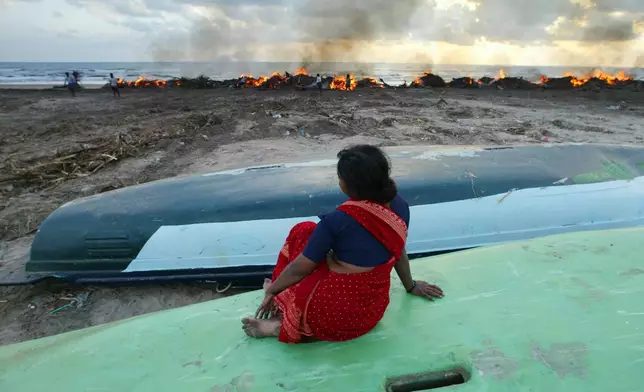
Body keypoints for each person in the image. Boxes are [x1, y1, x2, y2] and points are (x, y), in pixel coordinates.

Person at [242, 145, 444, 343]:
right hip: (370, 314)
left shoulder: (336, 221)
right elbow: (398, 250)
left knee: (302, 232)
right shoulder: (400, 207)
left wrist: (273, 290)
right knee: (314, 242)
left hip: (333, 315)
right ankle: (283, 308)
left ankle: (279, 325)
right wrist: (411, 286)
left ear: (345, 185)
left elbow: (298, 270)